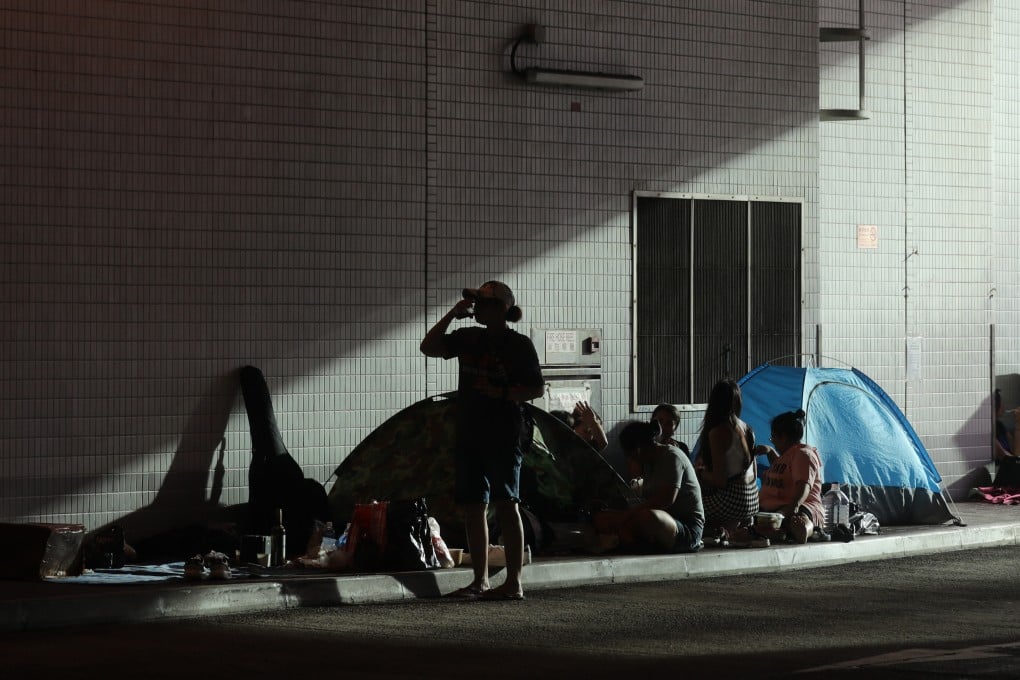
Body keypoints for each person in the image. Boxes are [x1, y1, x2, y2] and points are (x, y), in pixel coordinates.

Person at [420, 281, 544, 600]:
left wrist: (503, 393)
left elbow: (536, 388)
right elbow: (429, 347)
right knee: (473, 506)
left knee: (506, 504)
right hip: (470, 428)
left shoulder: (518, 344)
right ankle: (480, 580)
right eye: (477, 303)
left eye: (485, 304)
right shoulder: (468, 337)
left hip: (503, 431)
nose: (478, 309)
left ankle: (514, 581)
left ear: (502, 309)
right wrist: (452, 314)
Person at [593, 420, 704, 553]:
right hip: (658, 519)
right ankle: (628, 540)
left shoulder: (672, 457)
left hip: (685, 528)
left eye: (630, 455)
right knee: (601, 517)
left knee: (647, 517)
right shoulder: (648, 462)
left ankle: (628, 541)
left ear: (638, 450)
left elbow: (665, 500)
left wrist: (626, 516)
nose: (630, 460)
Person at [693, 379, 759, 540]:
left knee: (686, 504)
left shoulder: (718, 432)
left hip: (732, 500)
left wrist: (699, 473)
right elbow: (755, 474)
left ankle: (708, 534)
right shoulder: (747, 428)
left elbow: (720, 481)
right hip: (752, 497)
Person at [753, 409, 824, 544]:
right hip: (775, 509)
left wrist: (792, 508)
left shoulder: (803, 454)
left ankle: (805, 530)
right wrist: (770, 451)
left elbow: (804, 484)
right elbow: (782, 471)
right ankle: (779, 531)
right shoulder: (787, 455)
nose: (772, 441)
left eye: (773, 437)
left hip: (800, 506)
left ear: (783, 437)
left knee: (799, 519)